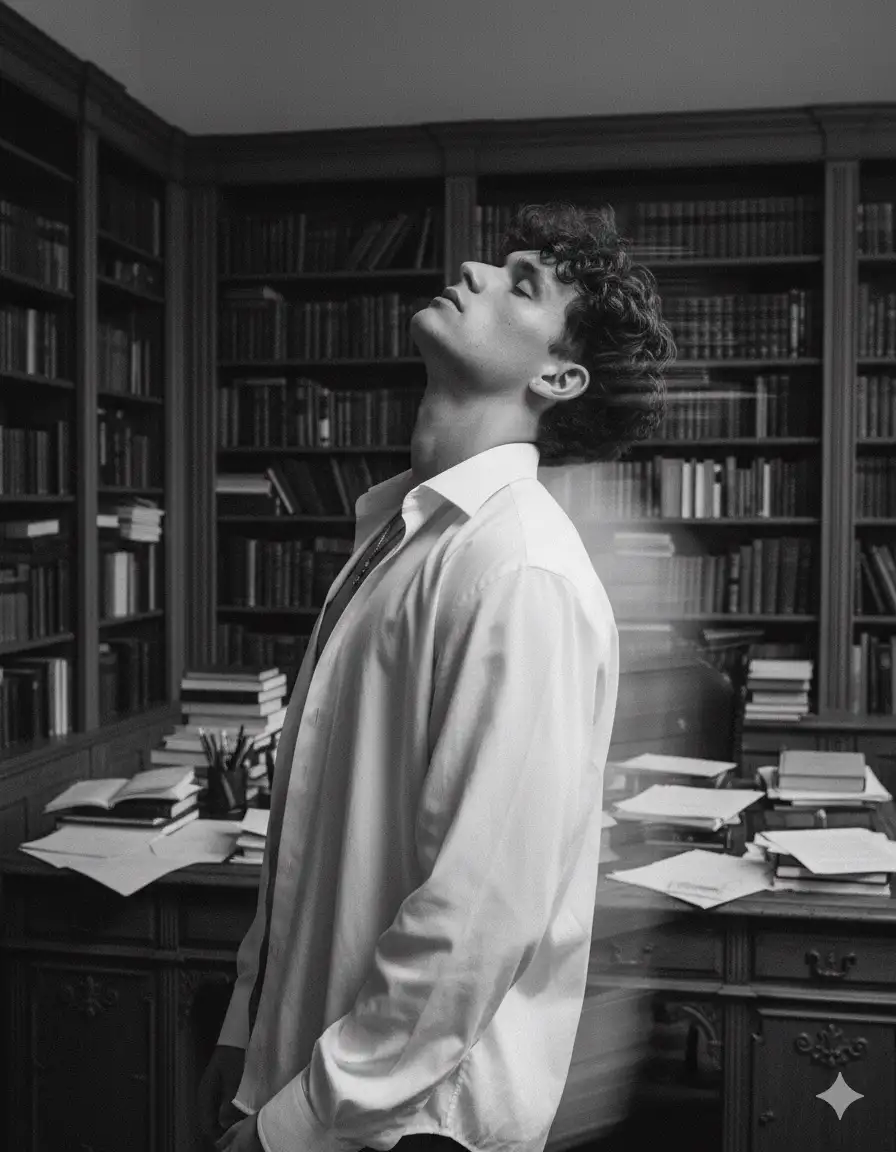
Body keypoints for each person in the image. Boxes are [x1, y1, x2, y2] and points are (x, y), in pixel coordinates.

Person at [200, 201, 676, 1152]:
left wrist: (294, 1122)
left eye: (521, 281)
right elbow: (315, 833)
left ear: (558, 374)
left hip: (409, 1124)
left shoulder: (521, 569)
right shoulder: (399, 528)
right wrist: (245, 1031)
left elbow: (478, 914)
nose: (474, 268)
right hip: (315, 1073)